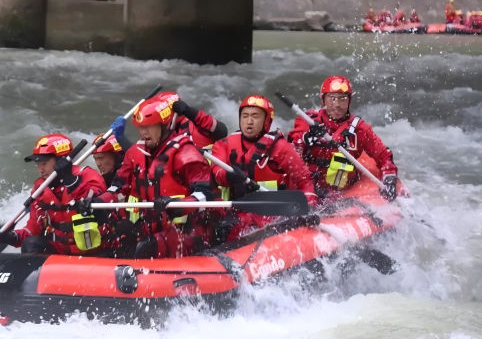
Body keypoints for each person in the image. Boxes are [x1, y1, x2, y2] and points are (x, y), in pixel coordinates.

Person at [101, 95, 214, 258]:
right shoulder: (136, 152)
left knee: (146, 247)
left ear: (164, 125)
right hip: (152, 228)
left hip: (185, 233)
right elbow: (118, 187)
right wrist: (98, 200)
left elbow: (205, 195)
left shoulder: (184, 152)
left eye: (148, 127)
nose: (143, 133)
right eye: (140, 127)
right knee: (119, 240)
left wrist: (179, 204)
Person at [210, 95, 317, 241]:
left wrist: (309, 208)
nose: (249, 121)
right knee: (220, 231)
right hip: (239, 210)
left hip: (274, 213)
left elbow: (304, 180)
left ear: (267, 121)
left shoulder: (280, 148)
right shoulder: (224, 145)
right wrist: (229, 176)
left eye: (255, 116)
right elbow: (217, 172)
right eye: (245, 116)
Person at [0, 133, 107, 255]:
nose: (40, 170)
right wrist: (11, 237)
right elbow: (33, 229)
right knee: (31, 243)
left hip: (94, 248)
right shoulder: (40, 189)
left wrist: (71, 181)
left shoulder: (87, 175)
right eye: (38, 165)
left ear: (61, 160)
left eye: (44, 163)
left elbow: (97, 204)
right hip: (61, 251)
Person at [288, 76, 398, 202]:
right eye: (332, 98)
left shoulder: (360, 129)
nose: (337, 105)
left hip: (338, 193)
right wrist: (306, 138)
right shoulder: (307, 121)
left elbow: (384, 156)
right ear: (322, 99)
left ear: (349, 100)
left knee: (341, 160)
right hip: (306, 187)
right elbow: (290, 152)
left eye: (342, 98)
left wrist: (390, 178)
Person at [157, 90, 228, 147]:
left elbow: (222, 131)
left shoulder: (194, 124)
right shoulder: (155, 134)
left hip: (205, 161)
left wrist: (190, 112)